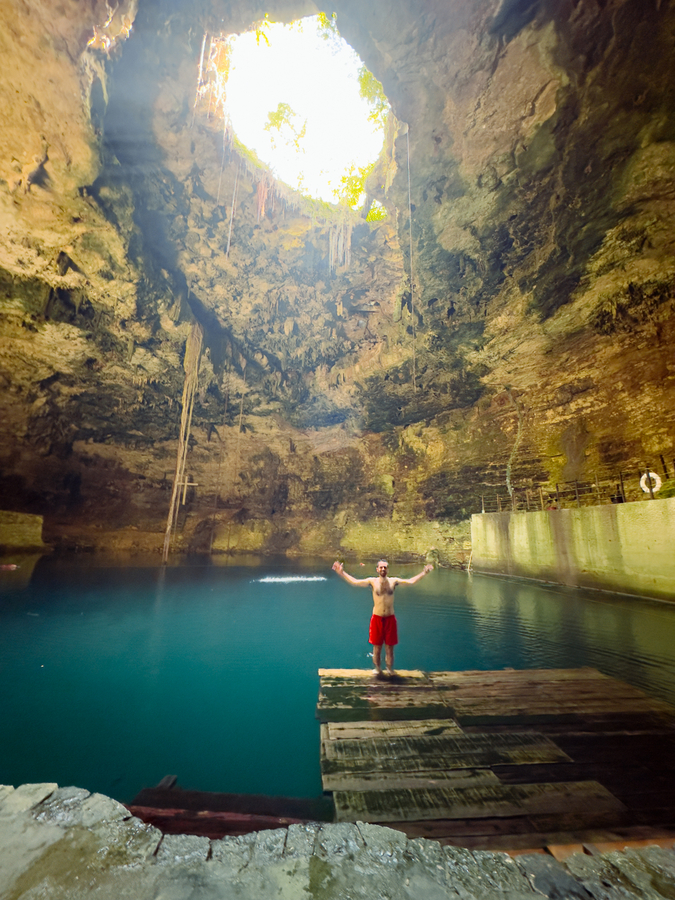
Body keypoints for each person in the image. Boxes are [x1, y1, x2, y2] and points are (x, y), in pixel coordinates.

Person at [332, 559, 433, 676]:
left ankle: (389, 669)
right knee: (377, 647)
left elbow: (410, 581)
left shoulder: (393, 581)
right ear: (377, 569)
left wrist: (424, 573)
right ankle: (378, 668)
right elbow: (355, 582)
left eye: (385, 567)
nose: (383, 569)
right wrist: (342, 573)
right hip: (377, 618)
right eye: (381, 567)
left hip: (390, 618)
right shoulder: (372, 581)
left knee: (390, 648)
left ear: (387, 569)